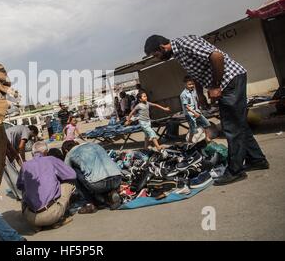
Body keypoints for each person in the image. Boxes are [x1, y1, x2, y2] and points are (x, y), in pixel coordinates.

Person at [144, 34, 269, 185]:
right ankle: (257, 159)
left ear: (162, 47)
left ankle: (235, 171)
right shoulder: (179, 53)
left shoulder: (184, 43)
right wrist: (200, 94)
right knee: (238, 123)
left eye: (156, 55)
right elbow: (196, 72)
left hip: (230, 80)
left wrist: (215, 85)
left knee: (231, 127)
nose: (157, 58)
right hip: (229, 82)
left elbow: (217, 57)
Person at [17, 141, 76, 230]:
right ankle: (57, 220)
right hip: (52, 214)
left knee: (24, 189)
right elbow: (72, 175)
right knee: (68, 184)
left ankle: (37, 225)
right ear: (46, 152)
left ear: (32, 153)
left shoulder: (25, 165)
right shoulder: (51, 159)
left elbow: (19, 185)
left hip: (30, 218)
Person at [64, 142, 122, 212]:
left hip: (98, 184)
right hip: (117, 178)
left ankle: (90, 204)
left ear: (66, 150)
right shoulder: (95, 144)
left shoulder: (70, 153)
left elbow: (66, 172)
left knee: (73, 171)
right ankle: (111, 193)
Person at [4, 125, 39, 200]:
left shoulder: (16, 135)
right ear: (32, 131)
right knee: (12, 172)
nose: (31, 138)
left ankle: (17, 194)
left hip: (0, 145)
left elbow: (17, 155)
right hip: (5, 145)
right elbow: (21, 147)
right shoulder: (26, 129)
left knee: (7, 173)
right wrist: (24, 160)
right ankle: (23, 195)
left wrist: (22, 165)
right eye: (33, 136)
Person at [180, 76, 212, 143]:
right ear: (185, 84)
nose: (191, 86)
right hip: (190, 114)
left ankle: (207, 138)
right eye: (189, 84)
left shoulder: (193, 91)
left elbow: (196, 100)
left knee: (206, 124)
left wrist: (199, 108)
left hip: (197, 112)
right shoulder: (183, 94)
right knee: (193, 129)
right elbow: (186, 106)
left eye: (192, 84)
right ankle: (189, 141)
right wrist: (194, 113)